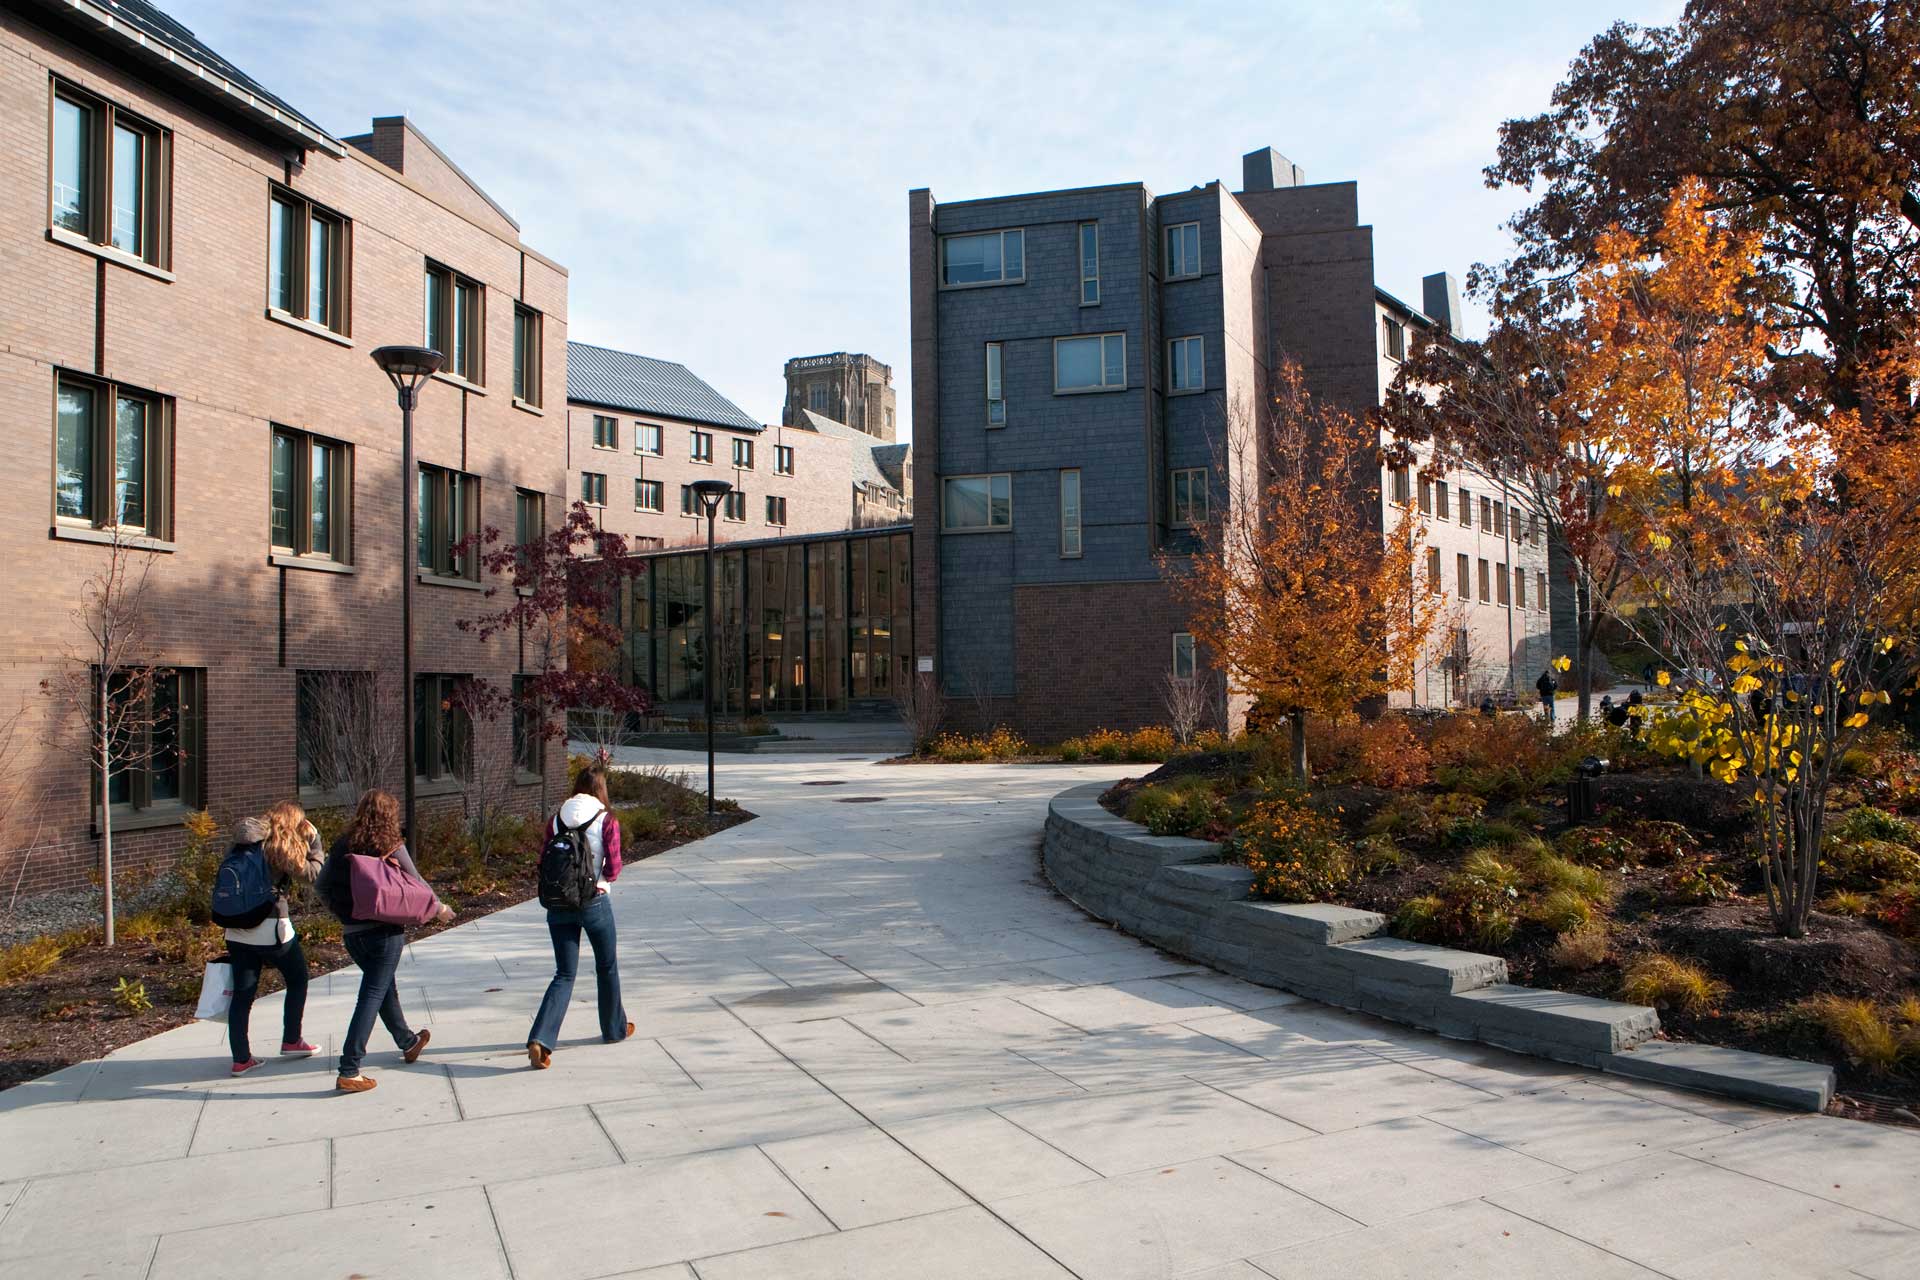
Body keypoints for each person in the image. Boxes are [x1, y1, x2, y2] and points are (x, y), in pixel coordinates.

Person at [318, 789, 452, 1094]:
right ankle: (349, 1069)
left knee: (382, 988)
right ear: (389, 815)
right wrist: (439, 908)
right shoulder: (389, 845)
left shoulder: (342, 845)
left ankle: (408, 1041)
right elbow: (417, 881)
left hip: (353, 934)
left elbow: (321, 886)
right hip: (384, 933)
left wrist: (344, 913)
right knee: (373, 994)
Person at [527, 765, 632, 1069]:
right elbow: (614, 868)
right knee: (606, 965)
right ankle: (613, 1029)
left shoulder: (556, 819)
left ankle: (541, 1040)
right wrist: (600, 878)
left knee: (564, 973)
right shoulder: (606, 819)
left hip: (559, 904)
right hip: (593, 902)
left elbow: (542, 861)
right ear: (601, 789)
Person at [221, 803, 325, 1074]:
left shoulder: (241, 844)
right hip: (270, 927)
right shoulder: (279, 846)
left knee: (243, 994)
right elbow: (314, 875)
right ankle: (292, 1039)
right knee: (298, 979)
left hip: (235, 928)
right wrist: (315, 840)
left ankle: (241, 1059)